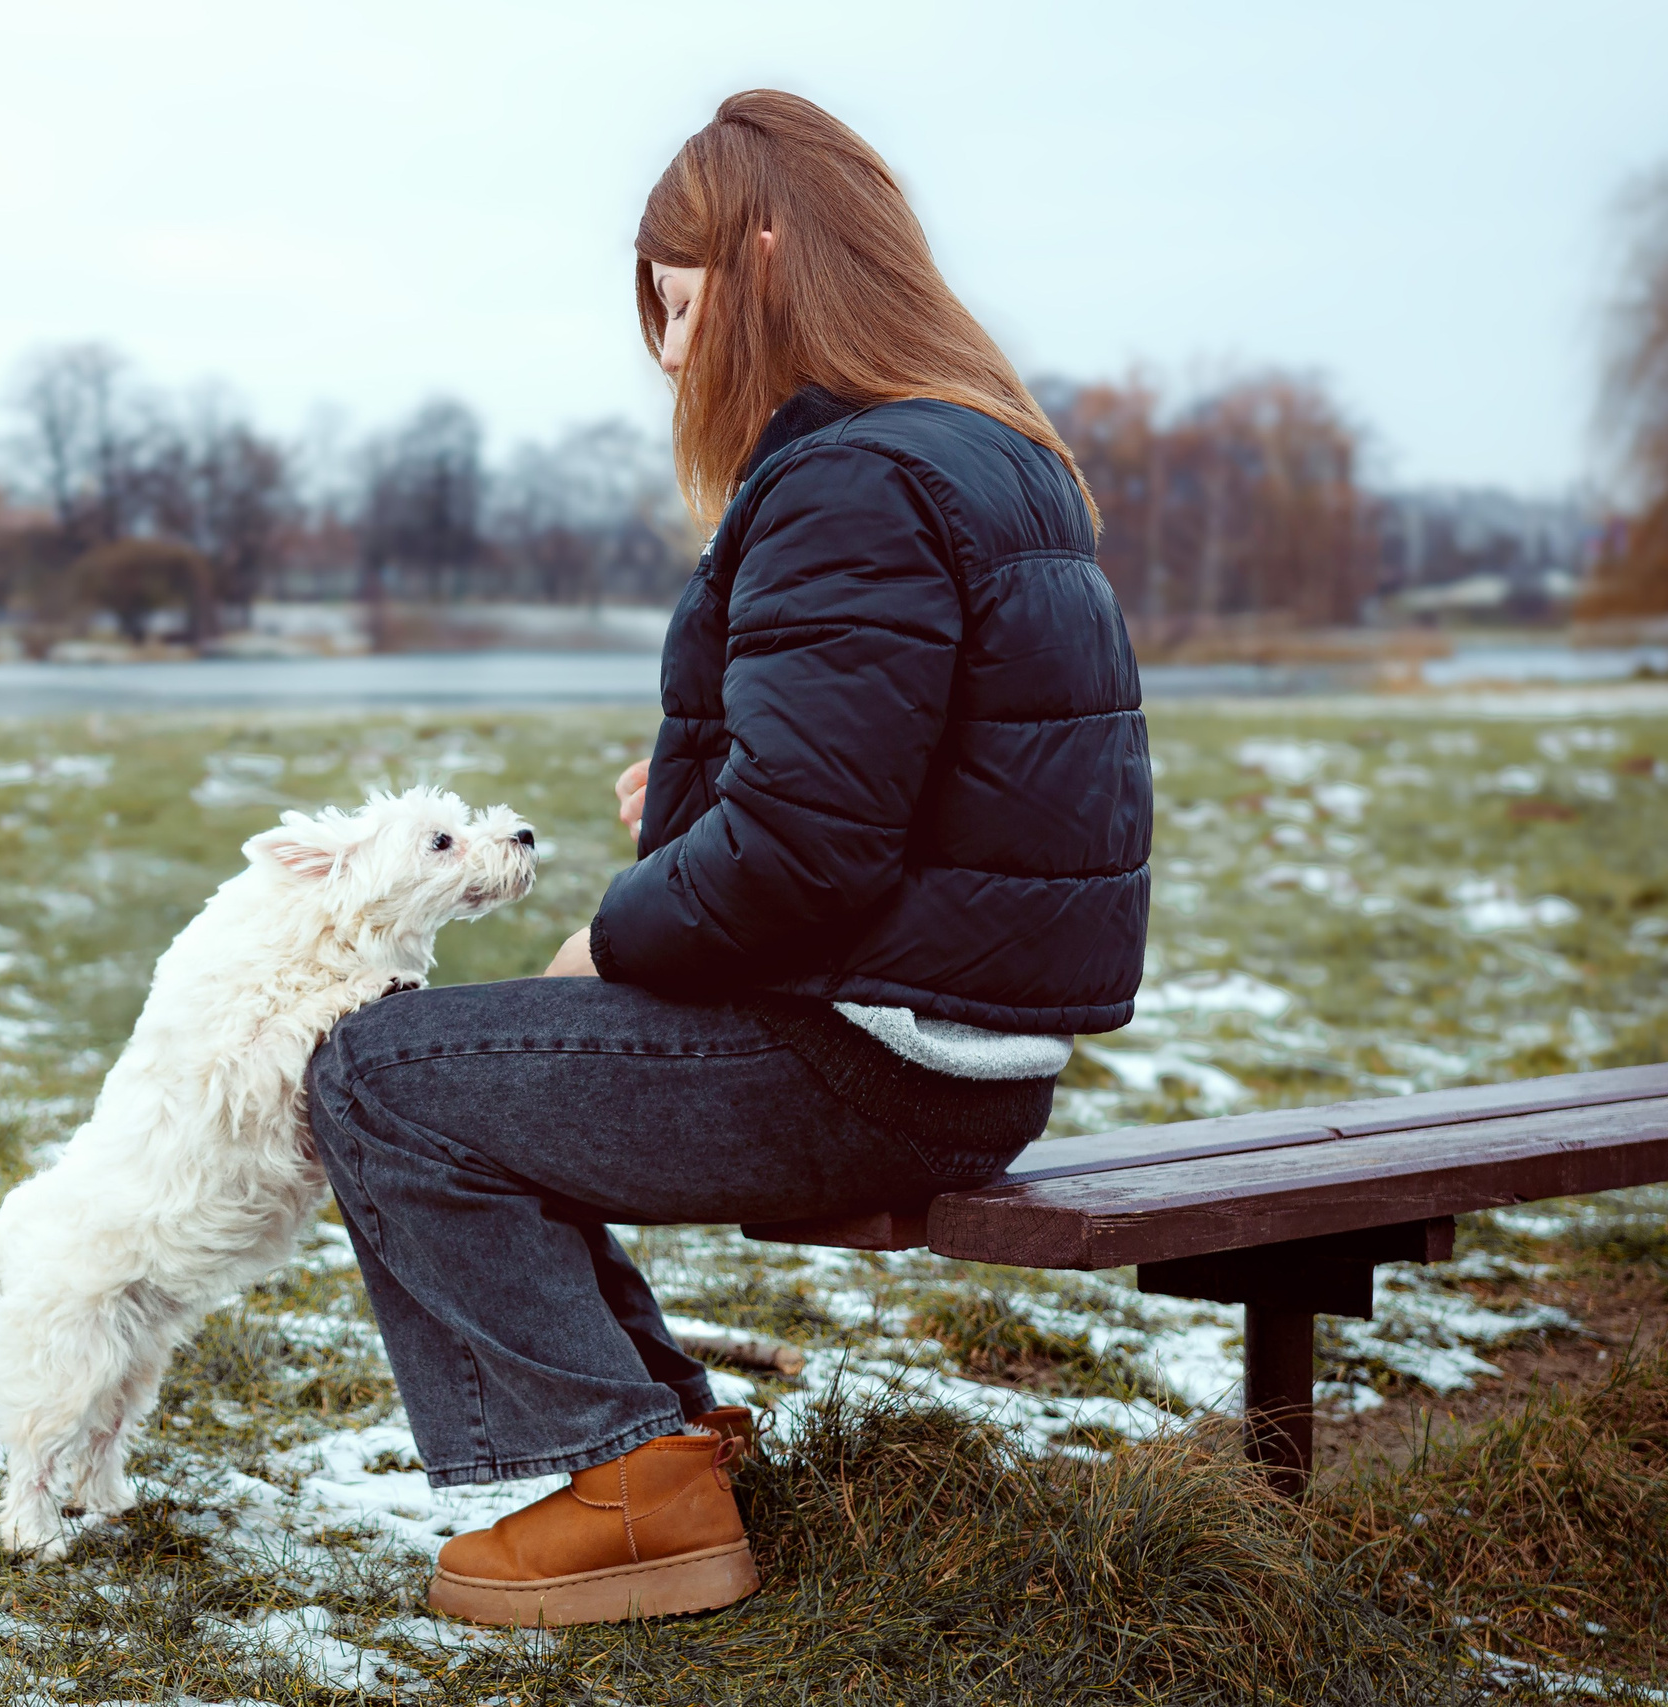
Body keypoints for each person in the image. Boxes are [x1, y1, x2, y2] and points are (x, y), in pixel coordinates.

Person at [299, 88, 1153, 1629]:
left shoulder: (851, 481)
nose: (675, 355)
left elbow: (810, 849)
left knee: (379, 1073)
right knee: (476, 1070)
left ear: (764, 257)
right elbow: (920, 788)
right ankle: (668, 1444)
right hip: (971, 1055)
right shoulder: (990, 453)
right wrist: (701, 803)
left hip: (871, 1060)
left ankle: (631, 1490)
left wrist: (613, 934)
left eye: (682, 307)